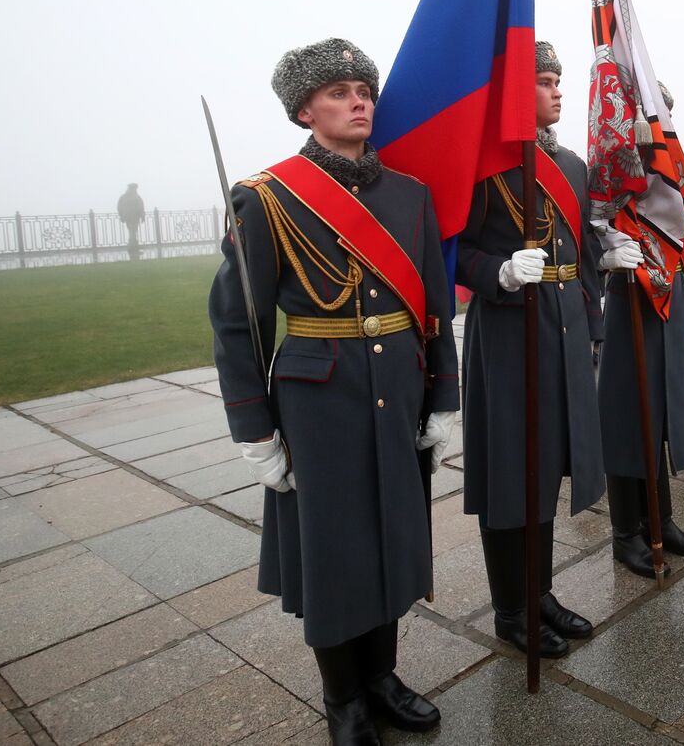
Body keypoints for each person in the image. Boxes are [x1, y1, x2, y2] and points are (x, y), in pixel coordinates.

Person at [209, 38, 455, 743]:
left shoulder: (408, 196)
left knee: (392, 541)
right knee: (335, 551)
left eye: (365, 90)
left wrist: (443, 396)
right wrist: (254, 431)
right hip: (319, 402)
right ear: (303, 110)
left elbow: (434, 304)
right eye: (340, 91)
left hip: (398, 388)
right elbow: (236, 323)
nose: (359, 101)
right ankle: (343, 696)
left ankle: (382, 676)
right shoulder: (267, 197)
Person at [456, 41, 605, 657]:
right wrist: (497, 272)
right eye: (544, 81)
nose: (558, 91)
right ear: (518, 92)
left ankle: (540, 592)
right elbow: (455, 250)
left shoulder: (570, 163)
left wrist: (595, 311)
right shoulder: (483, 163)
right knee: (511, 471)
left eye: (559, 80)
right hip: (509, 328)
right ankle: (511, 608)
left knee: (546, 466)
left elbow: (583, 250)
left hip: (564, 324)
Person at [595, 83, 684, 578]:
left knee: (662, 417)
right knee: (629, 418)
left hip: (673, 306)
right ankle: (627, 532)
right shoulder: (607, 169)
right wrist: (603, 251)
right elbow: (586, 231)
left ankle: (662, 517)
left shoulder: (671, 166)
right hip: (629, 302)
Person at [117, 183, 144, 260]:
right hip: (131, 217)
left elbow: (140, 206)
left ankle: (133, 248)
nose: (135, 190)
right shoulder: (133, 197)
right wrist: (122, 215)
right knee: (132, 232)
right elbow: (120, 207)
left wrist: (142, 215)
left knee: (133, 232)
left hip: (133, 217)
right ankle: (133, 248)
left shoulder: (128, 197)